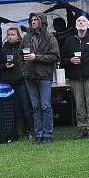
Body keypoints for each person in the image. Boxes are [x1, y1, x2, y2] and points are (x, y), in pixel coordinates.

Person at [61, 15, 89, 140]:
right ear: (75, 25)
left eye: (83, 21)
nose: (81, 22)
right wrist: (70, 60)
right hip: (75, 78)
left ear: (88, 25)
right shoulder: (69, 41)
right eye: (78, 21)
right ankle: (82, 129)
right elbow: (62, 60)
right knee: (79, 105)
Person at [20, 13, 60, 144]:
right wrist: (23, 68)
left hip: (44, 76)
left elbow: (55, 56)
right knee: (36, 107)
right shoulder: (26, 37)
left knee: (45, 105)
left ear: (42, 21)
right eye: (31, 20)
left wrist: (36, 57)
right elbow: (19, 56)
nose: (33, 22)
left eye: (36, 19)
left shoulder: (50, 37)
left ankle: (47, 134)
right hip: (29, 76)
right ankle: (38, 134)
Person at [0, 27, 33, 139]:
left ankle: (27, 130)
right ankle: (10, 131)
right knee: (8, 108)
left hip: (21, 81)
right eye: (8, 34)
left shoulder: (23, 47)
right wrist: (4, 66)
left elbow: (31, 61)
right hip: (7, 83)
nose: (10, 36)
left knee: (25, 107)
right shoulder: (3, 49)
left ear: (18, 37)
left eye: (13, 34)